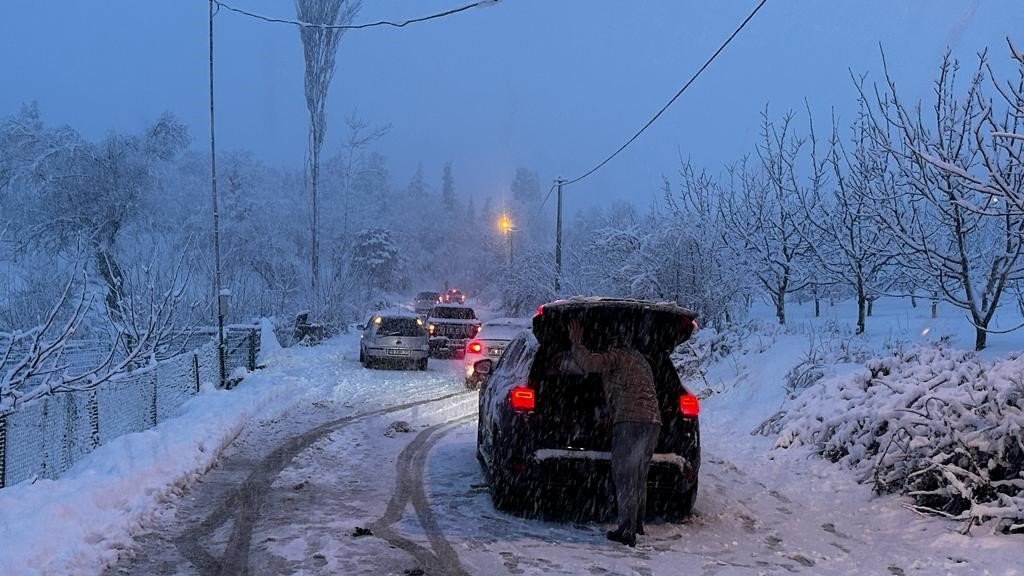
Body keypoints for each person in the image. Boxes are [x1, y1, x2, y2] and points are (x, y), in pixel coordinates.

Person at [567, 319, 661, 547]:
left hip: (631, 420)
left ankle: (626, 531)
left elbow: (589, 363)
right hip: (653, 421)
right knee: (639, 473)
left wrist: (576, 343)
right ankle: (637, 522)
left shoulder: (618, 356)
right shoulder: (642, 361)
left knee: (625, 474)